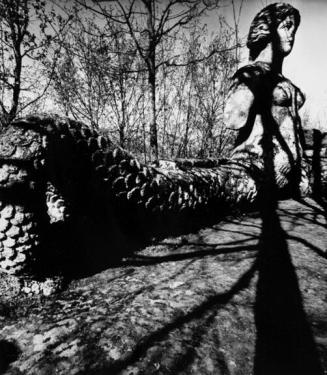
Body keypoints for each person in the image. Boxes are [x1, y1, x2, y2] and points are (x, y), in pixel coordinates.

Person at [224, 2, 309, 198]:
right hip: (255, 169)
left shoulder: (288, 85)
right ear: (268, 30)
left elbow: (294, 133)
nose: (291, 34)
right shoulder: (252, 74)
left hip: (293, 178)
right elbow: (232, 119)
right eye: (286, 26)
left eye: (294, 28)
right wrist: (249, 85)